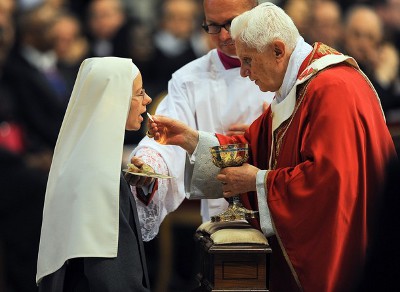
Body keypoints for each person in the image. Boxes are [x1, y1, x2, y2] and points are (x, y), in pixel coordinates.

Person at [145, 2, 397, 292]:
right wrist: (189, 139)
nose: (243, 73)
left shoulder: (331, 88)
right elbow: (253, 146)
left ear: (278, 51)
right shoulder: (298, 85)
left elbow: (330, 182)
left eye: (248, 61)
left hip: (346, 252)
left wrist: (257, 181)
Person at [126, 0, 273, 242]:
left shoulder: (283, 63)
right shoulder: (189, 79)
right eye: (214, 26)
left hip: (281, 202)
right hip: (222, 215)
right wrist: (150, 166)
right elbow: (165, 138)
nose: (225, 35)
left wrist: (265, 136)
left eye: (232, 23)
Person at [36, 57, 152, 291]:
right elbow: (114, 279)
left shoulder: (79, 160)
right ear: (115, 100)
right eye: (139, 93)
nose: (147, 100)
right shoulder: (99, 179)